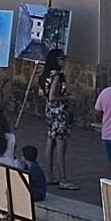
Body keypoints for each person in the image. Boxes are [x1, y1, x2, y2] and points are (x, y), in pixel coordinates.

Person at [42, 48, 78, 190]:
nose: (64, 61)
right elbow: (52, 96)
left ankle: (50, 175)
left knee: (50, 141)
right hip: (58, 111)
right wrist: (68, 97)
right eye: (62, 59)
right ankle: (63, 179)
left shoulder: (46, 75)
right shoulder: (57, 76)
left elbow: (44, 93)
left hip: (49, 110)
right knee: (60, 144)